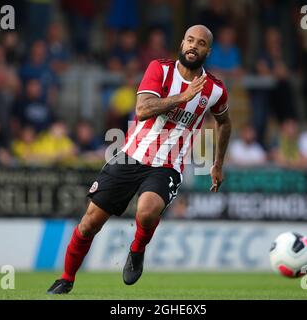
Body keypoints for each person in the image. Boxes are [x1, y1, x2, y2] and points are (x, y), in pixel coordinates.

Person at [47, 25, 232, 294]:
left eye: (200, 43)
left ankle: (137, 249)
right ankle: (66, 278)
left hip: (168, 166)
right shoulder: (160, 69)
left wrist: (217, 164)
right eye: (190, 40)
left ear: (208, 50)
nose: (193, 46)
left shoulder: (215, 89)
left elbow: (224, 123)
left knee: (146, 212)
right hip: (130, 157)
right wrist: (184, 96)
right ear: (181, 43)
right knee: (89, 223)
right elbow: (143, 109)